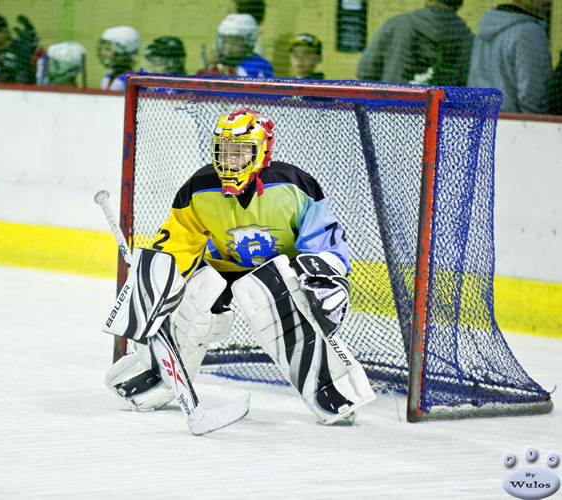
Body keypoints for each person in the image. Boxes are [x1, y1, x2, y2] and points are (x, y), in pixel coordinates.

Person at [103, 107, 375, 425]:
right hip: (224, 267)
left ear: (260, 151)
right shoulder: (199, 187)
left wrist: (324, 277)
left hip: (278, 269)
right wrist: (155, 283)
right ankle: (159, 378)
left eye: (240, 151)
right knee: (194, 301)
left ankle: (331, 390)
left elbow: (323, 239)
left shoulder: (293, 184)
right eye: (224, 150)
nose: (229, 159)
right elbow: (177, 244)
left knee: (277, 306)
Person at [356, 0, 473, 86]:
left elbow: (365, 70)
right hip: (443, 113)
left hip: (392, 109)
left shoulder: (399, 24)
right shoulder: (467, 36)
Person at [468, 0, 552, 114]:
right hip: (516, 124)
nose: (549, 2)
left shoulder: (486, 23)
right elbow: (530, 94)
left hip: (478, 118)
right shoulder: (530, 32)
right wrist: (534, 127)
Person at [197, 14, 273, 77]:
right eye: (225, 40)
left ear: (248, 41)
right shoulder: (216, 64)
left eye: (235, 41)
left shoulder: (259, 65)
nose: (228, 46)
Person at [98, 26, 140, 90]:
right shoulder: (107, 78)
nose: (103, 53)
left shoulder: (130, 81)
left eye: (108, 49)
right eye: (103, 49)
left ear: (124, 53)